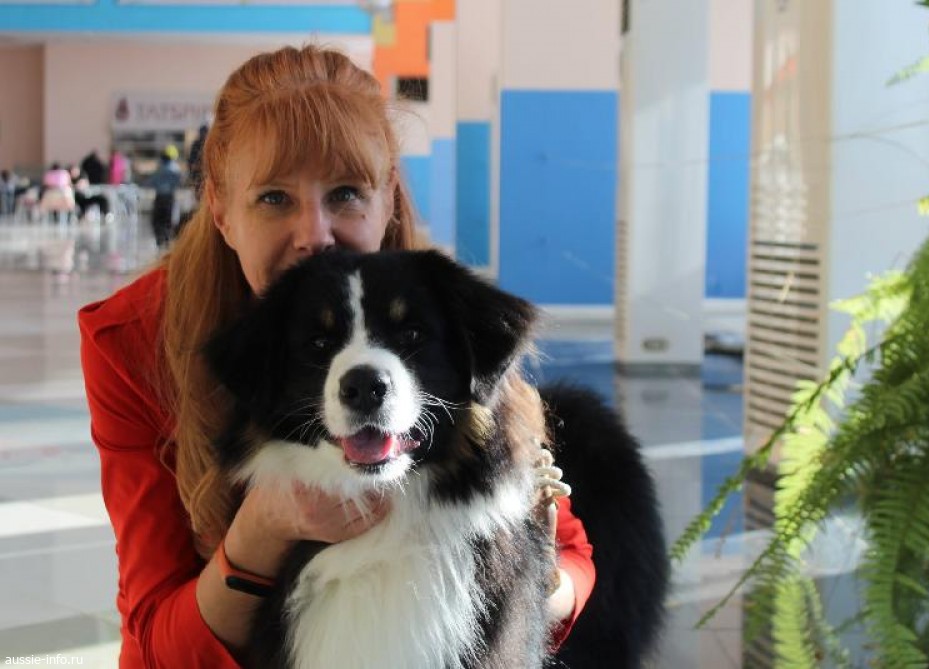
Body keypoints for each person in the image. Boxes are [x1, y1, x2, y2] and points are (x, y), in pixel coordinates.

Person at [79, 45, 594, 668]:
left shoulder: (440, 316)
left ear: (388, 200)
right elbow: (159, 645)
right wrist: (264, 529)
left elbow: (569, 563)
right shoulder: (133, 339)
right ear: (220, 209)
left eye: (345, 193)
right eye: (274, 198)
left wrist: (508, 586)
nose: (315, 235)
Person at [147, 145, 182, 249]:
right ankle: (167, 241)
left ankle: (160, 241)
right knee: (168, 220)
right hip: (169, 197)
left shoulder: (160, 168)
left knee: (157, 220)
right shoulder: (176, 169)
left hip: (160, 197)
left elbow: (151, 183)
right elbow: (178, 183)